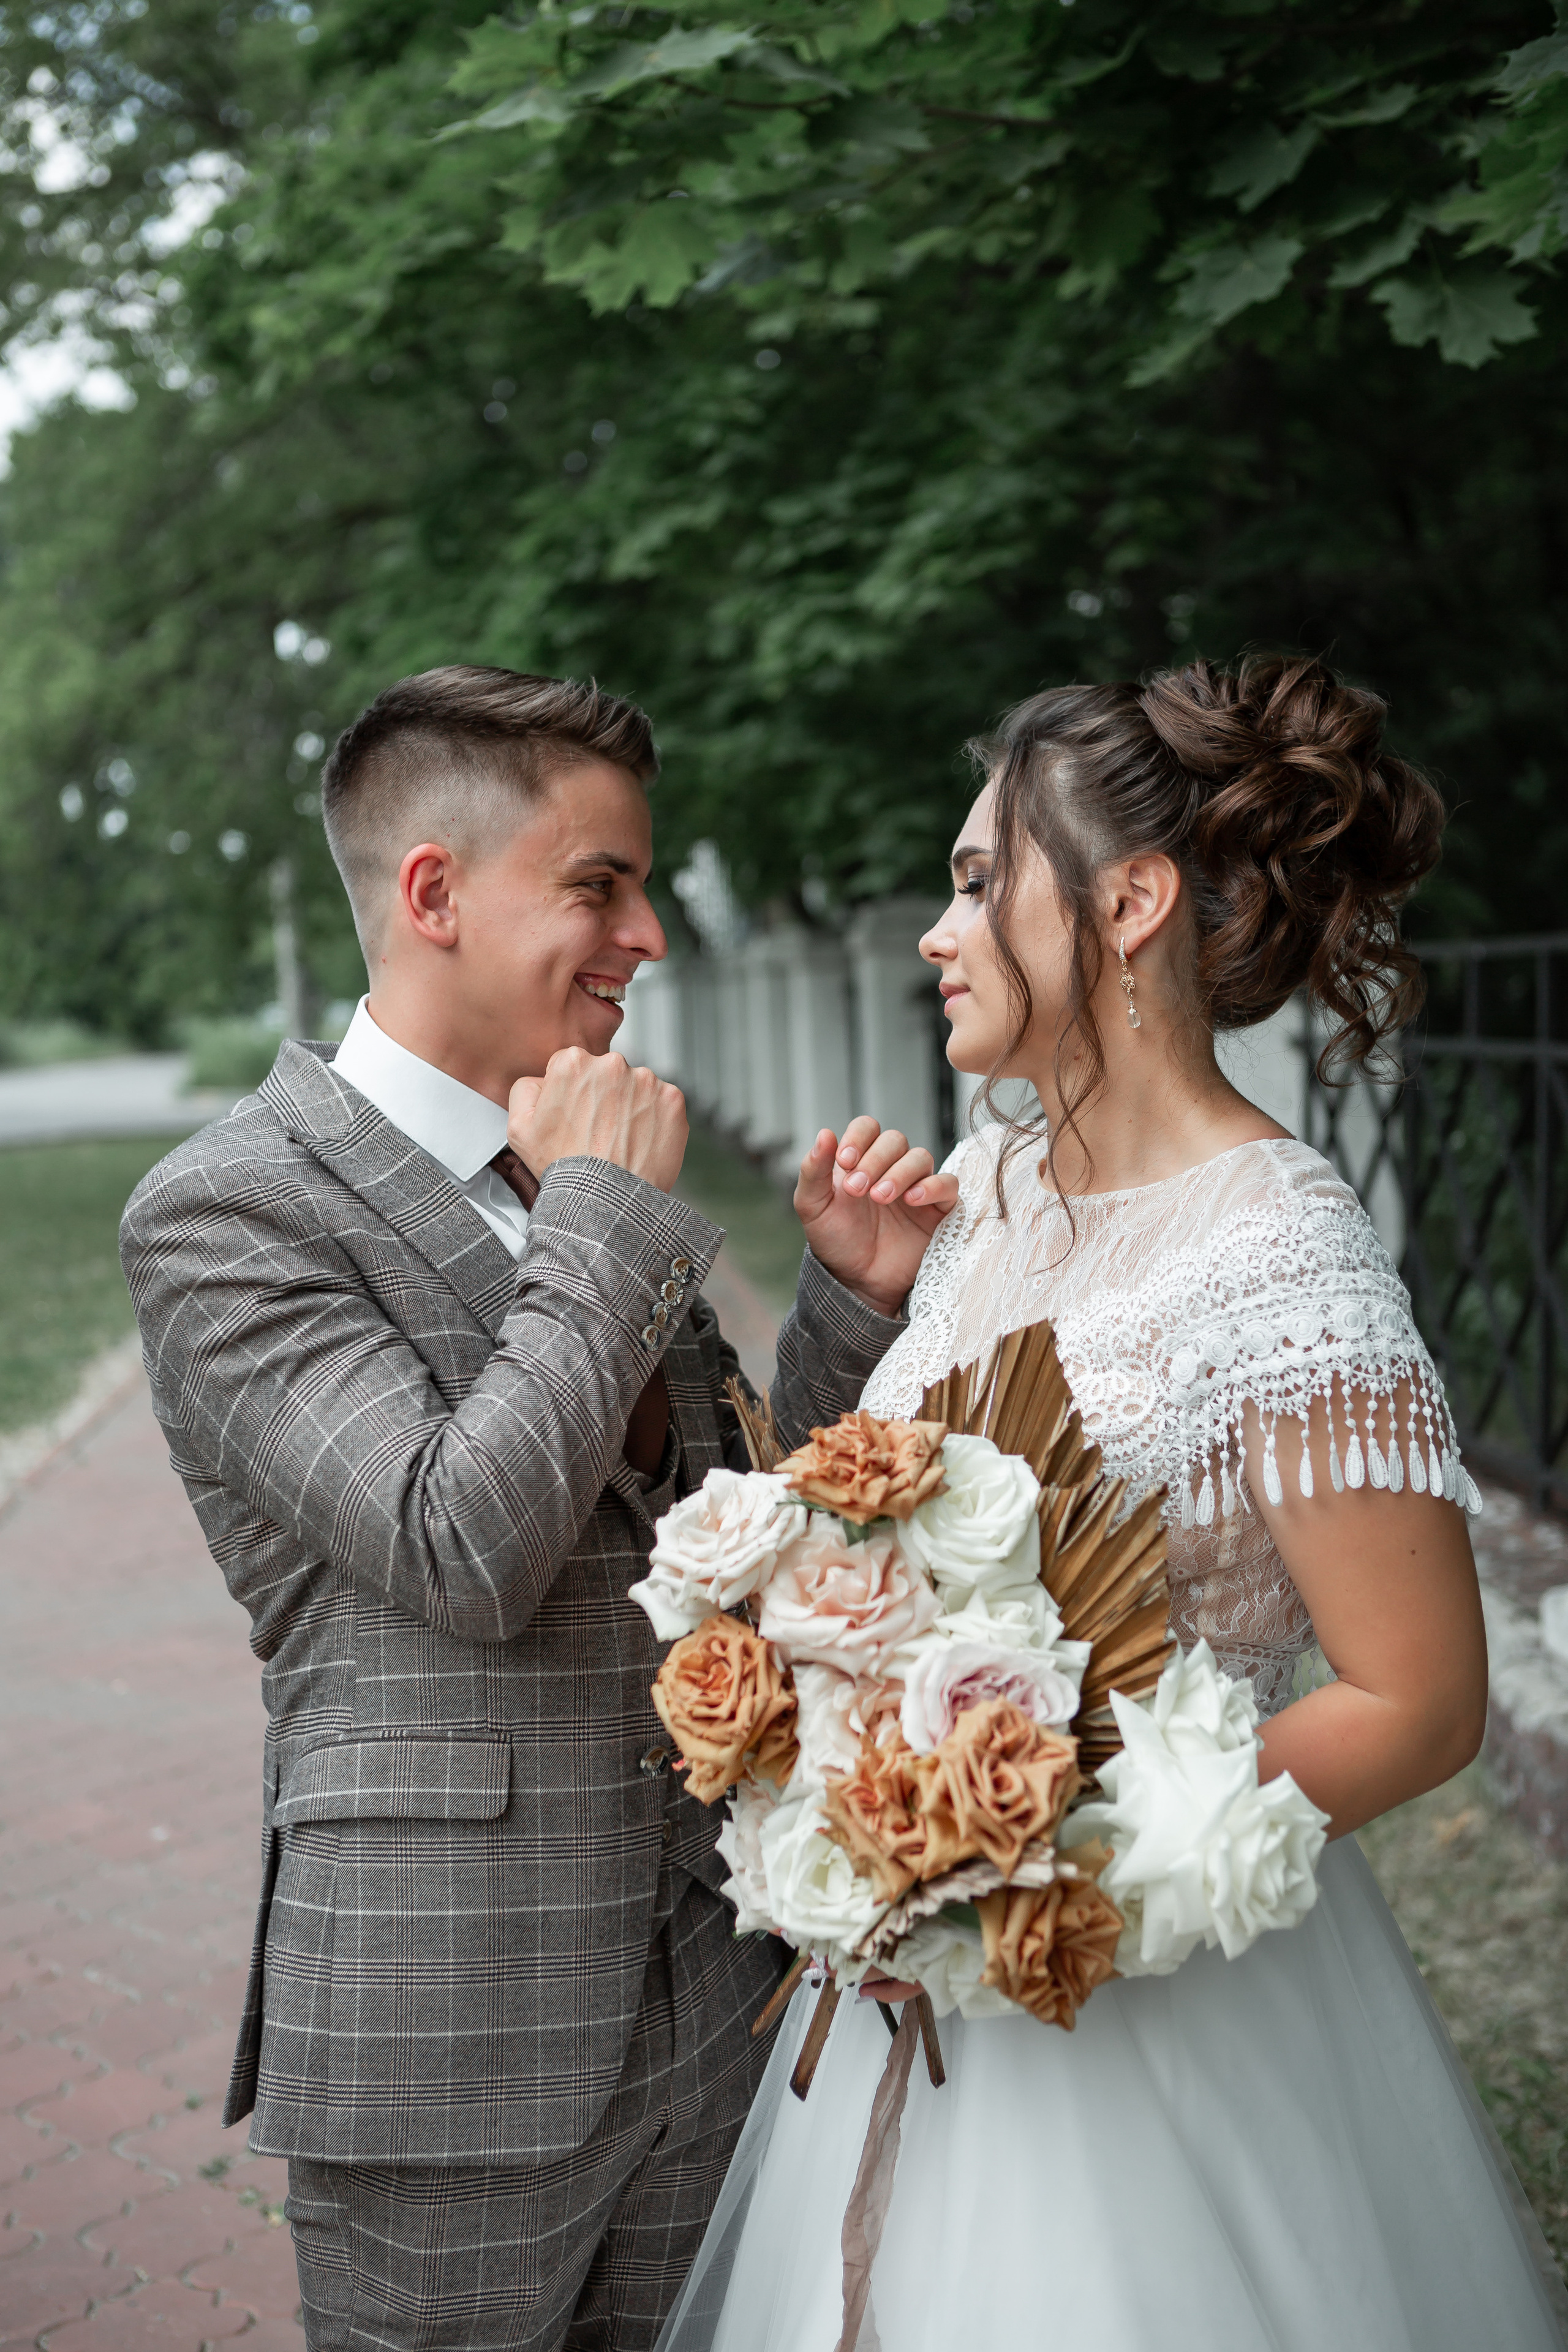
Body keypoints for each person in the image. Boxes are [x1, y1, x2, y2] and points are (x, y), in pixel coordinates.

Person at [655, 655, 1568, 2352]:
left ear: (1130, 902)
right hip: (919, 1986)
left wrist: (1043, 1853)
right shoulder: (993, 1187)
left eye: (979, 880)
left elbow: (1424, 1701)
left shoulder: (1278, 1246)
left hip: (1157, 1989)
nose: (941, 930)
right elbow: (926, 1546)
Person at [119, 665, 956, 2352]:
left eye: (640, 886)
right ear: (432, 893)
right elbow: (464, 1547)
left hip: (719, 1995)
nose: (644, 934)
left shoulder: (567, 1170)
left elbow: (727, 1536)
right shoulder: (229, 1210)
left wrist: (849, 1311)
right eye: (600, 885)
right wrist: (592, 1219)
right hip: (454, 2033)